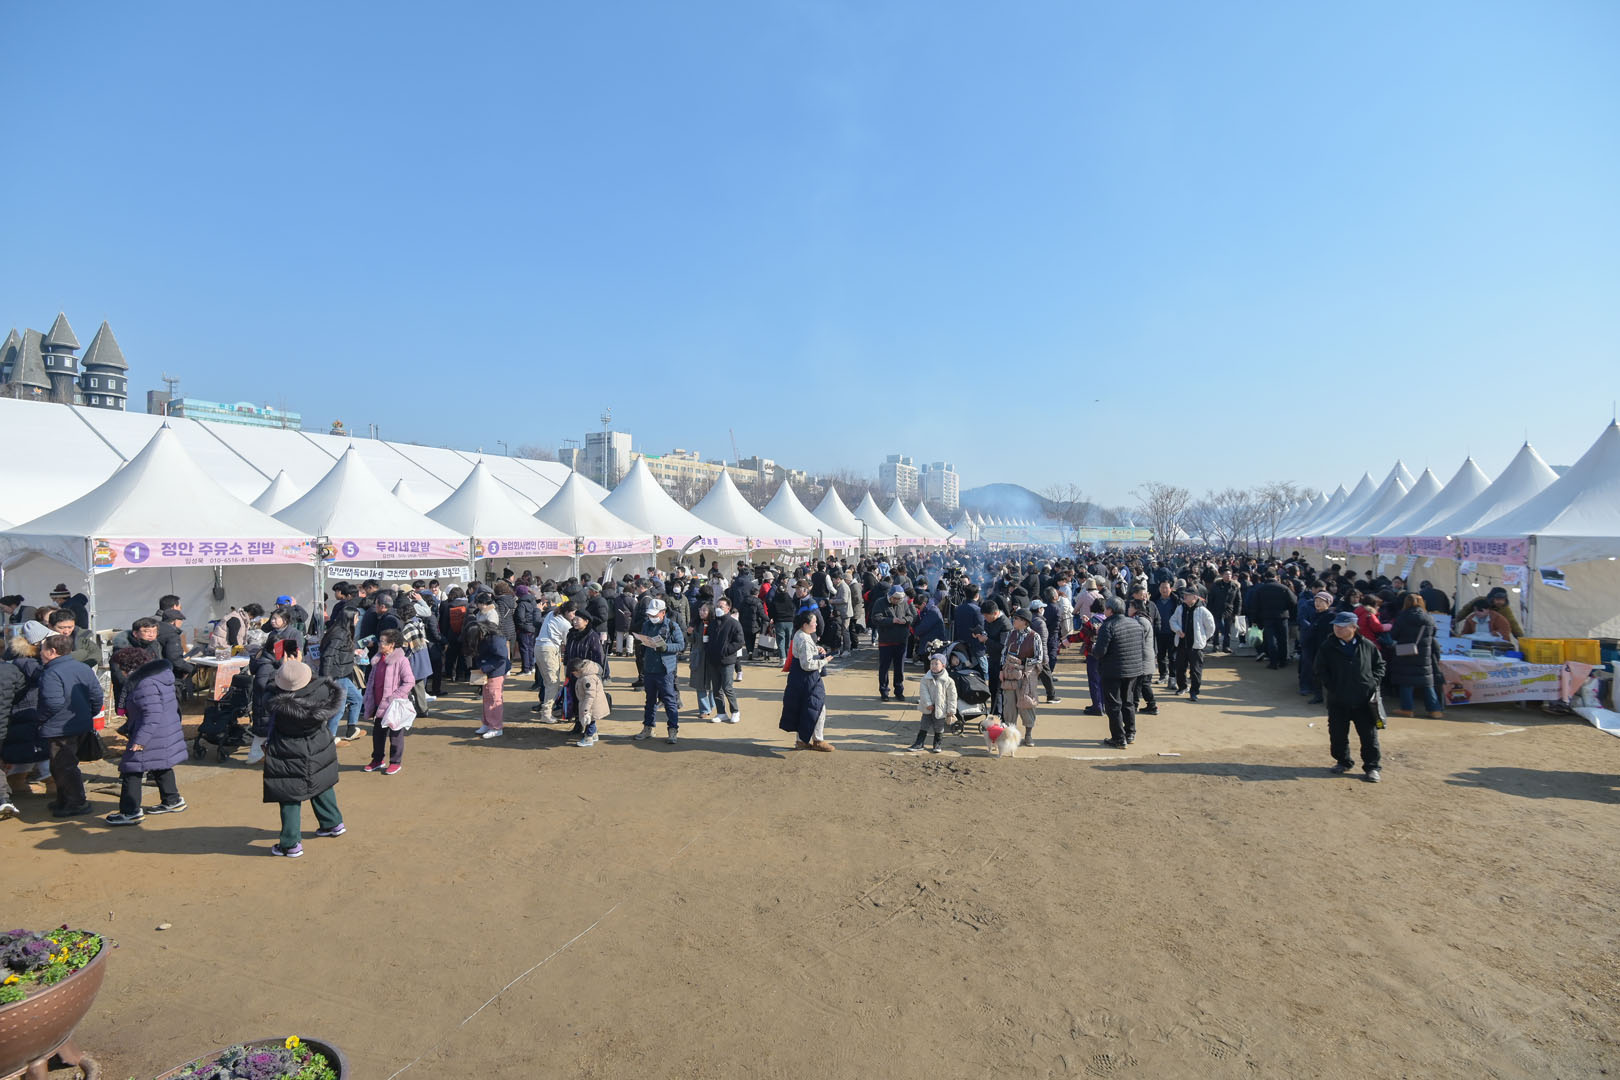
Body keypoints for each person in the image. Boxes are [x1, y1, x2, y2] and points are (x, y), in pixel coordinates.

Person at [262, 658, 345, 856]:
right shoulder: (323, 692)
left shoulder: (278, 703)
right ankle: (332, 823)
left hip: (289, 749)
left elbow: (266, 692)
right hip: (318, 743)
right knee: (322, 783)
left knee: (289, 794)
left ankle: (290, 844)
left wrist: (279, 674)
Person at [104, 647, 188, 825]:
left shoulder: (144, 683)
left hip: (150, 732)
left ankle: (130, 812)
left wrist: (140, 740)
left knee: (132, 769)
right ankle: (172, 800)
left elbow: (152, 714)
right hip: (164, 730)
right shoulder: (159, 676)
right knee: (160, 763)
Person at [36, 633, 104, 817]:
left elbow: (53, 703)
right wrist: (88, 714)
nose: (40, 653)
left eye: (42, 649)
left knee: (64, 767)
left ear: (52, 651)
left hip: (60, 728)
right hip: (80, 724)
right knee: (62, 765)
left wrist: (40, 719)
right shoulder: (83, 667)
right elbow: (97, 695)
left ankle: (76, 803)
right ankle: (64, 799)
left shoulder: (51, 673)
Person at [1314, 611, 1385, 783]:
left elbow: (1380, 665)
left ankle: (1372, 767)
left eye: (1342, 626)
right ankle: (1343, 761)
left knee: (1369, 736)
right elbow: (1320, 669)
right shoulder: (1328, 646)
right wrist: (1331, 686)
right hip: (1338, 699)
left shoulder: (1366, 645)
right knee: (1337, 734)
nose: (1337, 629)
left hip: (1364, 700)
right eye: (1336, 625)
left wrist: (1372, 682)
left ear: (1354, 627)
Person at [1093, 596, 1151, 748]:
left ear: (1110, 610)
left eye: (1106, 608)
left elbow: (1100, 652)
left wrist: (1093, 647)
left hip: (1113, 670)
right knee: (1128, 702)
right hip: (1133, 670)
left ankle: (1119, 738)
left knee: (1113, 705)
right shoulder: (1135, 624)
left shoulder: (1108, 626)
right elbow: (1141, 646)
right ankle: (1130, 733)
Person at [632, 598, 685, 745]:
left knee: (669, 700)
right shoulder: (646, 625)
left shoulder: (672, 626)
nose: (652, 617)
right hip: (649, 668)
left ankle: (673, 729)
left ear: (663, 612)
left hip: (665, 670)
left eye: (654, 615)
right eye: (650, 614)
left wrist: (666, 647)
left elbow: (681, 645)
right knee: (649, 701)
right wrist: (641, 641)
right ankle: (648, 728)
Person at [779, 609, 833, 751]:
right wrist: (825, 661)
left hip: (799, 678)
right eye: (814, 622)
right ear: (805, 624)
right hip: (807, 679)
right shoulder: (804, 638)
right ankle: (817, 740)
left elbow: (805, 653)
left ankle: (802, 741)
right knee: (818, 707)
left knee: (804, 707)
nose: (816, 625)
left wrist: (817, 648)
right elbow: (807, 664)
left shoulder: (800, 634)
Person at [363, 628, 417, 771]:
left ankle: (395, 762)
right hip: (378, 702)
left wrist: (394, 696)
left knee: (396, 734)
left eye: (383, 642)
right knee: (377, 733)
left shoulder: (401, 660)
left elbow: (409, 681)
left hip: (394, 705)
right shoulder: (377, 659)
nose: (379, 644)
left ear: (392, 644)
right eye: (380, 641)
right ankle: (377, 760)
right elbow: (372, 680)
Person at [318, 591, 364, 741]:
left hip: (343, 674)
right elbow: (328, 655)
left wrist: (353, 652)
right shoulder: (340, 633)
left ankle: (351, 729)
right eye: (356, 617)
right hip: (337, 675)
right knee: (338, 707)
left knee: (357, 698)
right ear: (349, 618)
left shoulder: (342, 632)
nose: (358, 620)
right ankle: (330, 737)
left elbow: (338, 651)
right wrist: (327, 678)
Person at [1390, 593, 1444, 719]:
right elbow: (1433, 634)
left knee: (1406, 682)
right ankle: (1435, 710)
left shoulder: (1402, 617)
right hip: (1424, 654)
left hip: (1405, 653)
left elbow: (1394, 635)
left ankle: (1407, 709)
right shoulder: (1429, 618)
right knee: (1427, 682)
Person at [1000, 608, 1047, 746]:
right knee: (1009, 706)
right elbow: (1004, 653)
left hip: (1027, 676)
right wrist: (1001, 670)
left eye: (1016, 618)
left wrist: (1023, 662)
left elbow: (1039, 658)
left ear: (1024, 622)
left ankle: (1028, 735)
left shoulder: (1035, 636)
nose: (1013, 620)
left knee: (1027, 704)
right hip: (1010, 674)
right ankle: (1011, 735)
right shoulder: (1011, 634)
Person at [1168, 587, 1215, 703]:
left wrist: (1203, 638)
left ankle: (1194, 692)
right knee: (1180, 668)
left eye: (1187, 595)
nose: (1184, 597)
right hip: (1181, 644)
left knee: (1195, 671)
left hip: (1196, 646)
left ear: (1194, 597)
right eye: (1184, 595)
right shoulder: (1180, 608)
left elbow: (1211, 627)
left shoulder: (1202, 610)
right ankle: (1182, 687)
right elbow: (1172, 621)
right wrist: (1178, 630)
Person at [704, 596, 745, 724]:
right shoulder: (712, 623)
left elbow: (739, 642)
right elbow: (707, 638)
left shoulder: (734, 623)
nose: (718, 609)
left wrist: (726, 650)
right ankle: (721, 713)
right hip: (713, 660)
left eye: (721, 607)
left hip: (727, 661)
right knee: (716, 689)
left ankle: (735, 711)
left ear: (728, 608)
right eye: (717, 606)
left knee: (727, 687)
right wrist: (708, 650)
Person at [907, 652, 957, 753]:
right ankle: (919, 743)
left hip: (941, 708)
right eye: (931, 663)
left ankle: (937, 744)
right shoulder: (925, 679)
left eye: (936, 664)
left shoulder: (949, 681)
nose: (933, 666)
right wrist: (928, 704)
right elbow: (923, 692)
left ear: (943, 665)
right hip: (928, 708)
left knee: (939, 726)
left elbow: (952, 696)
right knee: (924, 725)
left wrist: (951, 710)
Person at [872, 585, 915, 702]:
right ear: (890, 596)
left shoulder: (904, 603)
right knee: (884, 667)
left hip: (901, 640)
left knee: (899, 667)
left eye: (899, 599)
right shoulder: (880, 602)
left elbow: (911, 616)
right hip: (886, 641)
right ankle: (884, 691)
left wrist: (905, 620)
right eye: (895, 598)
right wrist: (891, 620)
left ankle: (899, 691)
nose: (897, 601)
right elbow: (875, 618)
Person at [473, 613, 511, 740]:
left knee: (494, 698)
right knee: (487, 697)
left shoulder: (496, 640)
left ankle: (496, 727)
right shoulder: (486, 638)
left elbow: (501, 658)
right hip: (488, 670)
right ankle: (487, 723)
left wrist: (485, 667)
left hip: (496, 672)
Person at [568, 658, 609, 748]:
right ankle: (594, 734)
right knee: (591, 721)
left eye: (574, 673)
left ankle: (588, 738)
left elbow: (590, 696)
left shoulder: (588, 679)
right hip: (592, 704)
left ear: (578, 670)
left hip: (592, 706)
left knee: (590, 722)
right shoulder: (585, 675)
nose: (573, 675)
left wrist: (585, 711)